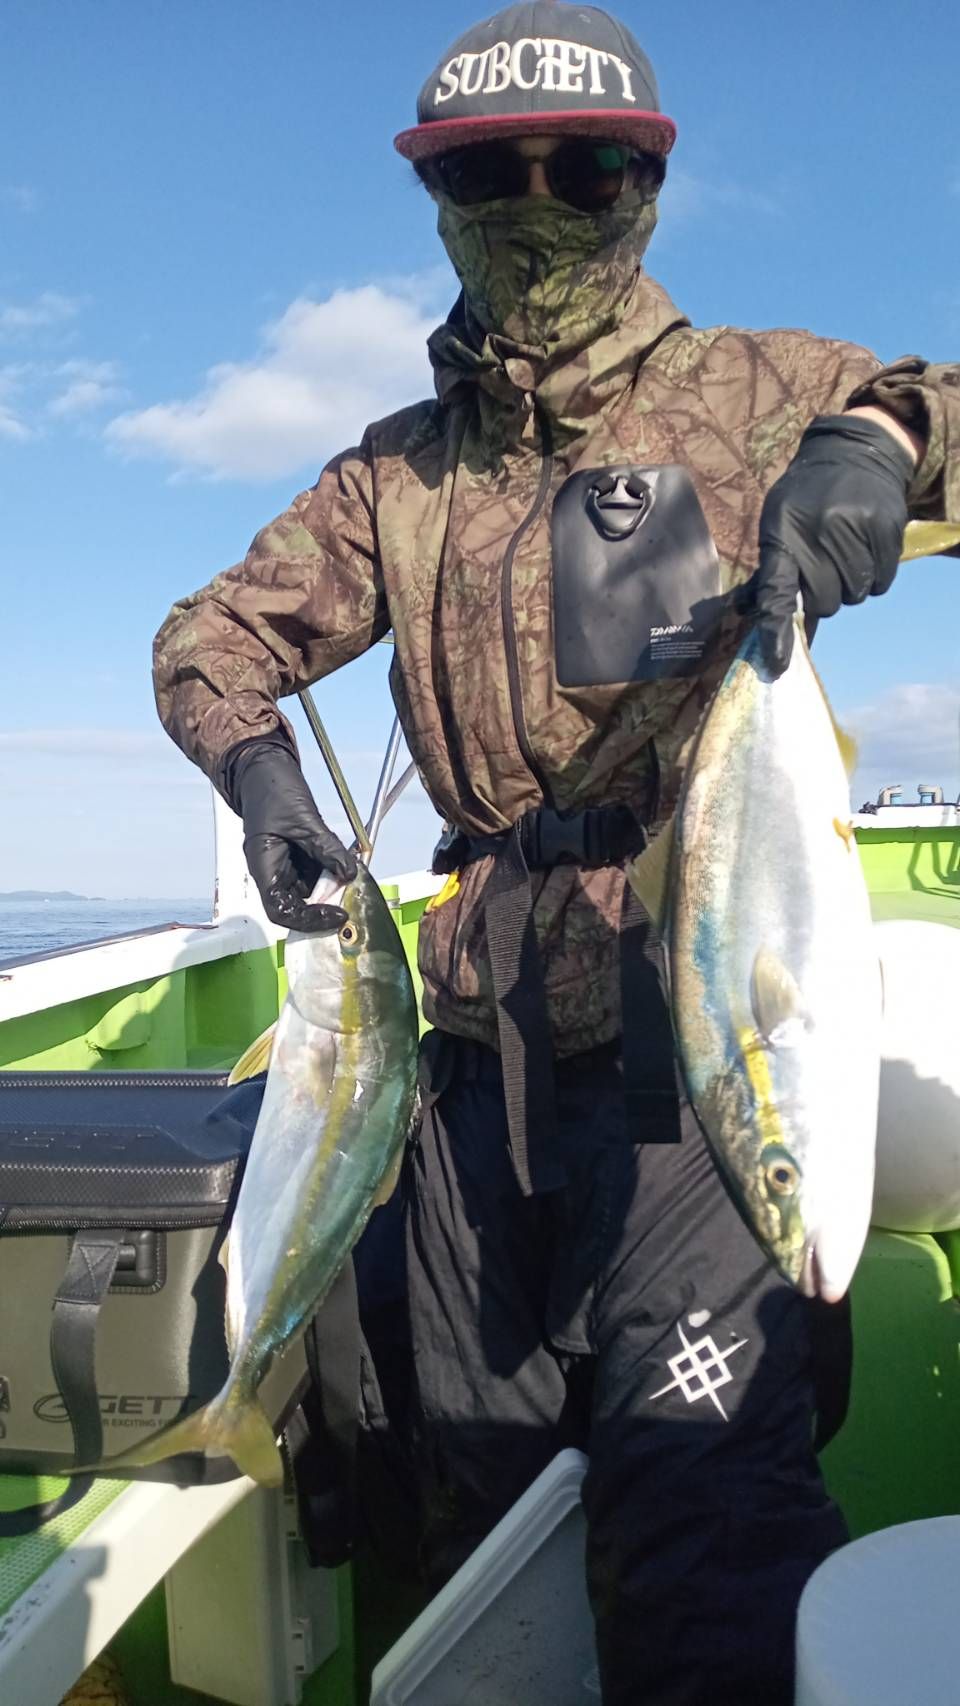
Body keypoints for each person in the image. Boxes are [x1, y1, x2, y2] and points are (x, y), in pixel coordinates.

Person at [153, 5, 959, 1700]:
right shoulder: (393, 478)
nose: (534, 207)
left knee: (705, 1514)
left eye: (579, 169)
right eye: (484, 175)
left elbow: (946, 408)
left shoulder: (755, 395)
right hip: (468, 1068)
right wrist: (262, 779)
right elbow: (210, 637)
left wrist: (882, 447)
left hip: (697, 1045)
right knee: (477, 1499)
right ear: (436, 199)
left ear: (641, 185)